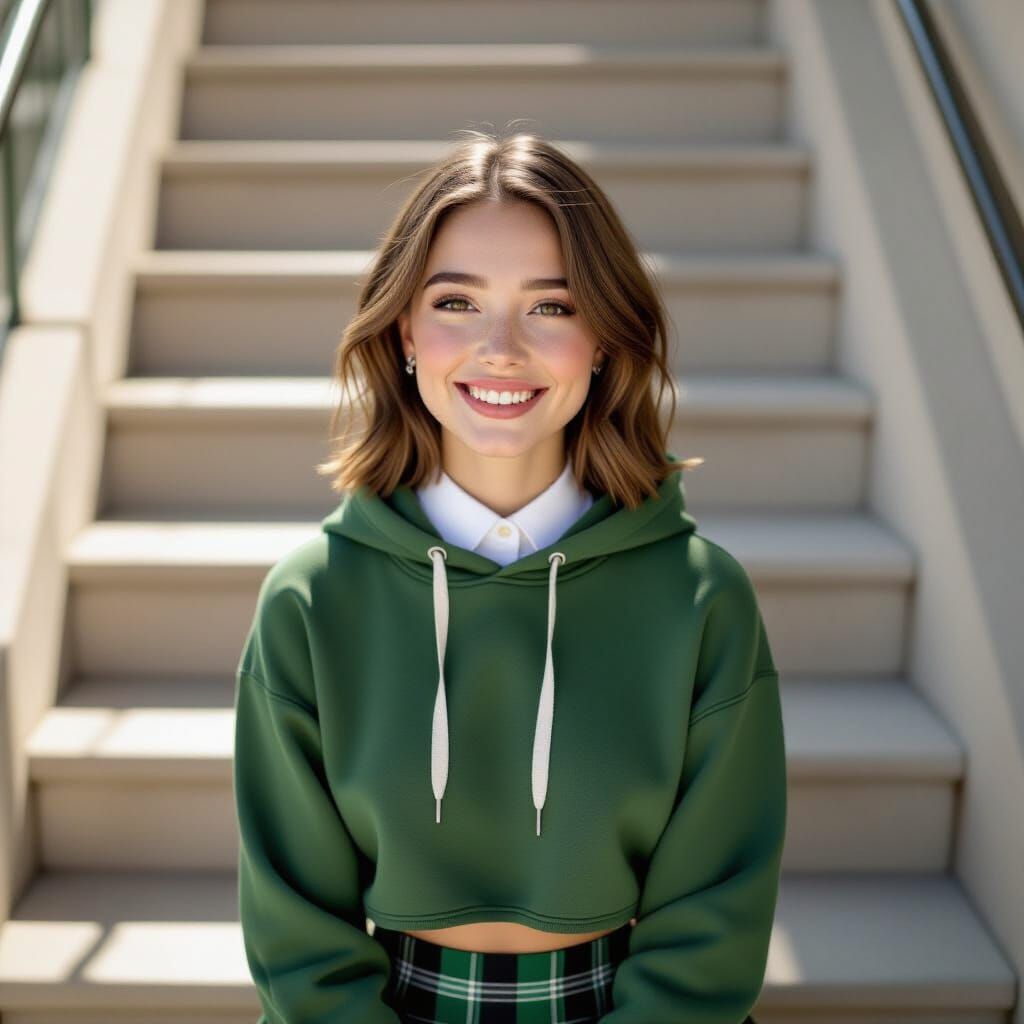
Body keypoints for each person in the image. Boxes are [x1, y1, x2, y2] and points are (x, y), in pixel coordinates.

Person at [232, 130, 786, 1024]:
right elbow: (297, 939)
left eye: (551, 308)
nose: (500, 348)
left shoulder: (702, 599)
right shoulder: (311, 600)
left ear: (604, 338)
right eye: (456, 302)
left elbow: (712, 921)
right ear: (405, 328)